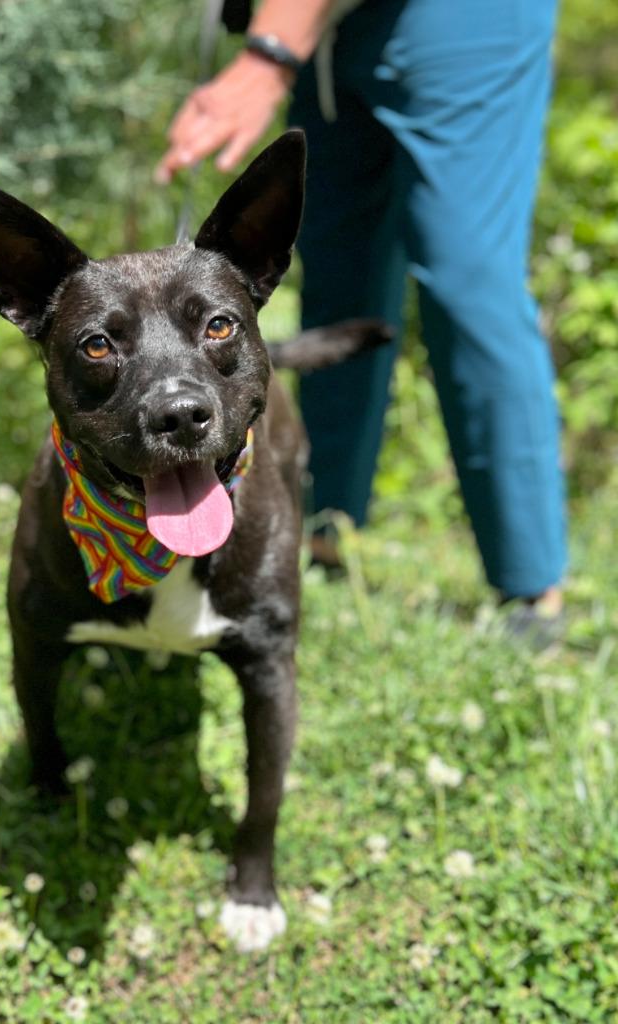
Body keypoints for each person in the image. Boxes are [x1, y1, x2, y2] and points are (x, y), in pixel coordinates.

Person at [156, 0, 566, 641]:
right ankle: (325, 535)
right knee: (338, 275)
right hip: (327, 27)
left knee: (466, 278)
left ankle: (531, 586)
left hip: (462, 18)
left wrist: (267, 58)